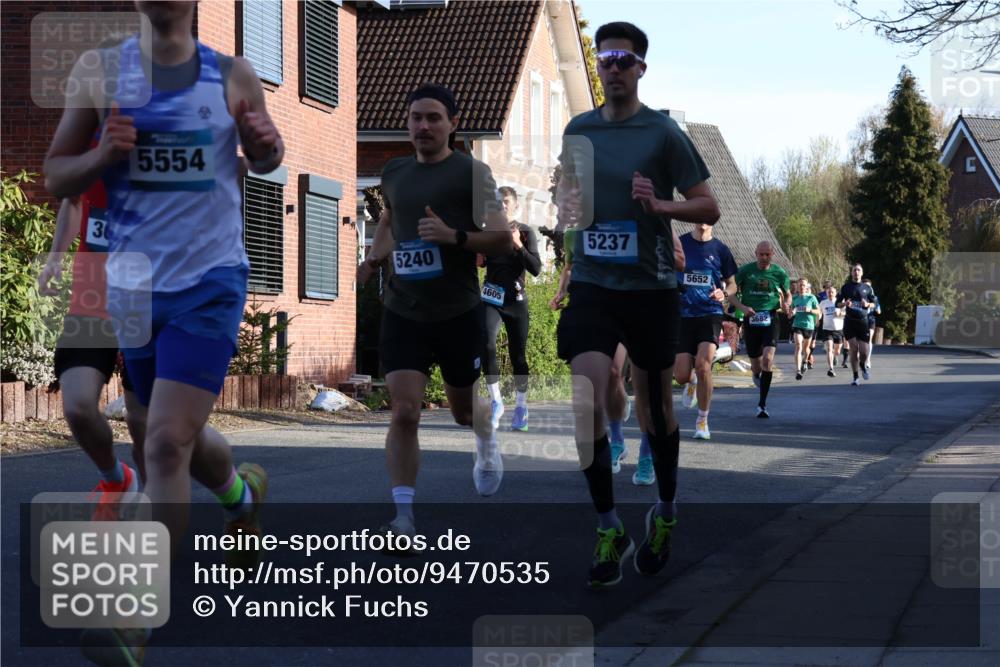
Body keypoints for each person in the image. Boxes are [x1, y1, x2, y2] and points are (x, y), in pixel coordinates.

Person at [45, 2, 283, 662]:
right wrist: (101, 152)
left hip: (210, 284)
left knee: (165, 444)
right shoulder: (99, 71)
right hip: (131, 286)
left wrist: (266, 147)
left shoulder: (234, 75)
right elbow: (55, 173)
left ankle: (134, 615)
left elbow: (267, 157)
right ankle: (241, 491)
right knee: (159, 425)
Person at [555, 21, 720, 587]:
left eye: (625, 58)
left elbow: (709, 207)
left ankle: (666, 513)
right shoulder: (577, 130)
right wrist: (566, 211)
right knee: (585, 398)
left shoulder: (663, 133)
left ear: (641, 68)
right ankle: (608, 527)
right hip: (595, 287)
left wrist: (661, 208)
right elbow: (571, 207)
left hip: (651, 289)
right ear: (597, 66)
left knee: (657, 411)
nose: (615, 66)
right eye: (605, 58)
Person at [357, 83, 513, 543]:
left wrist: (455, 237)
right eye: (416, 118)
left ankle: (485, 440)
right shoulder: (394, 172)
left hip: (457, 312)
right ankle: (403, 516)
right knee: (404, 411)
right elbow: (390, 220)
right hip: (404, 309)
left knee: (464, 412)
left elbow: (504, 239)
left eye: (433, 118)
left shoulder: (472, 173)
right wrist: (371, 260)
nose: (423, 126)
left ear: (452, 124)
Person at [38, 188, 146, 501]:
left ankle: (152, 517)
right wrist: (55, 259)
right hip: (91, 301)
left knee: (144, 426)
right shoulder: (88, 143)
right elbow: (72, 201)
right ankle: (115, 479)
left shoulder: (162, 146)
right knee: (78, 407)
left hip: (146, 304)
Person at [480, 186, 541, 432]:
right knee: (486, 342)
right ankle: (496, 402)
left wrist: (518, 245)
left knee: (518, 357)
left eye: (505, 201)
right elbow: (477, 260)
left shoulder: (526, 232)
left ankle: (521, 406)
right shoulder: (487, 233)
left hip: (516, 301)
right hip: (492, 296)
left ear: (515, 205)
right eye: (497, 201)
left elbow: (536, 268)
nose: (501, 205)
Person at [674, 223, 737, 440]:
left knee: (703, 365)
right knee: (681, 376)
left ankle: (702, 420)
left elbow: (732, 284)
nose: (703, 221)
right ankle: (691, 382)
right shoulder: (680, 243)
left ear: (712, 221)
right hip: (683, 314)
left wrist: (724, 293)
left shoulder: (721, 249)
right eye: (699, 217)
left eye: (707, 218)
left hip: (710, 313)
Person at [730, 242, 792, 418]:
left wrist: (787, 304)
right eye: (761, 254)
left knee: (767, 359)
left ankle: (762, 405)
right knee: (756, 366)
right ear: (755, 253)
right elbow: (731, 293)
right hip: (751, 319)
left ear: (772, 254)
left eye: (768, 254)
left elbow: (787, 293)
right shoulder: (745, 271)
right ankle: (757, 374)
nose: (764, 258)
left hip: (771, 318)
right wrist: (742, 308)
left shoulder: (779, 272)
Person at [838, 264, 876, 385]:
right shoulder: (846, 287)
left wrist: (867, 305)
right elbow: (837, 303)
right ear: (851, 273)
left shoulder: (867, 288)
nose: (856, 272)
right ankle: (855, 377)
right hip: (849, 321)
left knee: (864, 352)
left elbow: (874, 303)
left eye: (859, 270)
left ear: (862, 273)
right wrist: (845, 304)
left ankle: (862, 365)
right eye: (854, 270)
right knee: (853, 349)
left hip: (863, 322)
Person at [790, 278, 821, 380]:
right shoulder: (794, 298)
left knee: (806, 349)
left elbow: (818, 312)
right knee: (798, 346)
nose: (801, 287)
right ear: (797, 287)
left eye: (803, 285)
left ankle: (805, 360)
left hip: (809, 326)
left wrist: (810, 310)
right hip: (797, 325)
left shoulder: (812, 298)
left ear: (807, 286)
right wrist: (791, 312)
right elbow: (791, 312)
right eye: (799, 285)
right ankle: (798, 370)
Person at [817, 284, 845, 377]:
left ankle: (836, 357)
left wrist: (840, 313)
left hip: (838, 329)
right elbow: (819, 312)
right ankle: (831, 368)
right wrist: (818, 319)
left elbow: (846, 313)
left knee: (837, 350)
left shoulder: (840, 302)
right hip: (827, 329)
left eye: (832, 292)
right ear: (826, 293)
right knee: (829, 348)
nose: (830, 294)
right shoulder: (823, 302)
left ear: (836, 293)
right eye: (829, 292)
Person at [862, 277, 880, 370]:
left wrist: (876, 309)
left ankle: (868, 360)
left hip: (871, 319)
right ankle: (861, 357)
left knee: (869, 339)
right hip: (860, 319)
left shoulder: (875, 298)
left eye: (868, 286)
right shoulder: (859, 296)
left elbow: (878, 310)